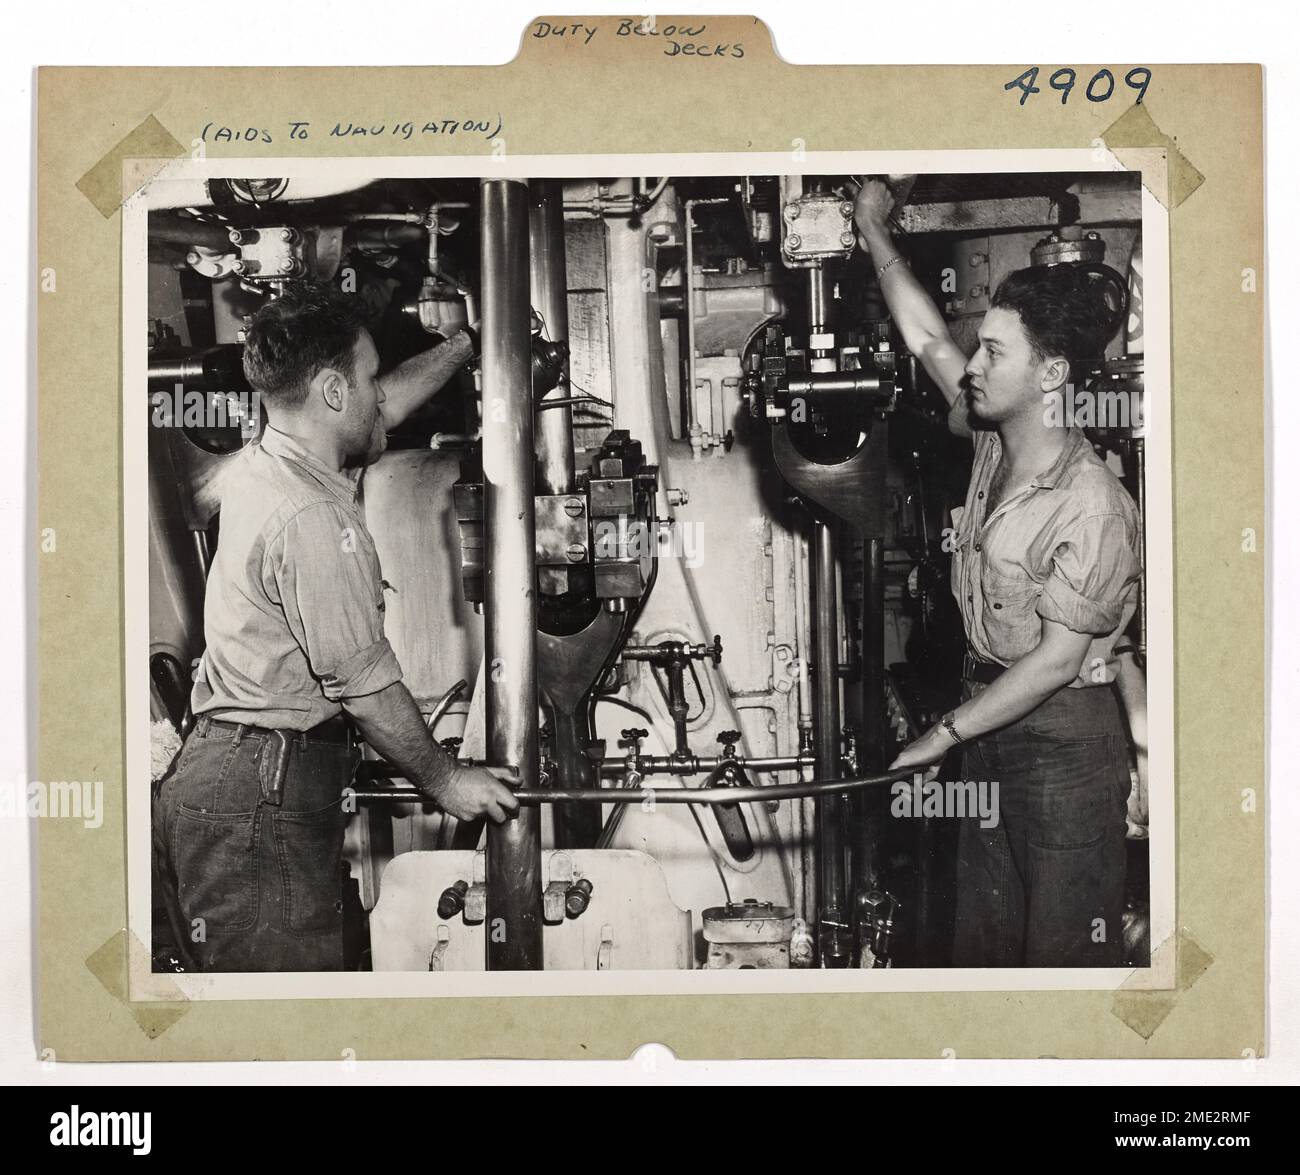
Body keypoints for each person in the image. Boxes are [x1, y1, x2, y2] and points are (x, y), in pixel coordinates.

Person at [153, 283, 518, 972]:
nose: (382, 391)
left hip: (242, 780)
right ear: (329, 391)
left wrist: (468, 347)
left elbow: (382, 408)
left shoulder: (283, 458)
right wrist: (446, 779)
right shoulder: (310, 518)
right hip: (257, 797)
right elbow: (365, 683)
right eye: (369, 376)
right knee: (280, 1034)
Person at [854, 179, 1143, 967]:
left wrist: (941, 735)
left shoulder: (1092, 502)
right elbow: (926, 342)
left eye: (995, 351)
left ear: (1051, 375)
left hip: (1060, 745)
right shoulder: (990, 438)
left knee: (1059, 962)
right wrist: (873, 231)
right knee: (981, 950)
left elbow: (1056, 661)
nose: (973, 363)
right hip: (988, 720)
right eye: (980, 345)